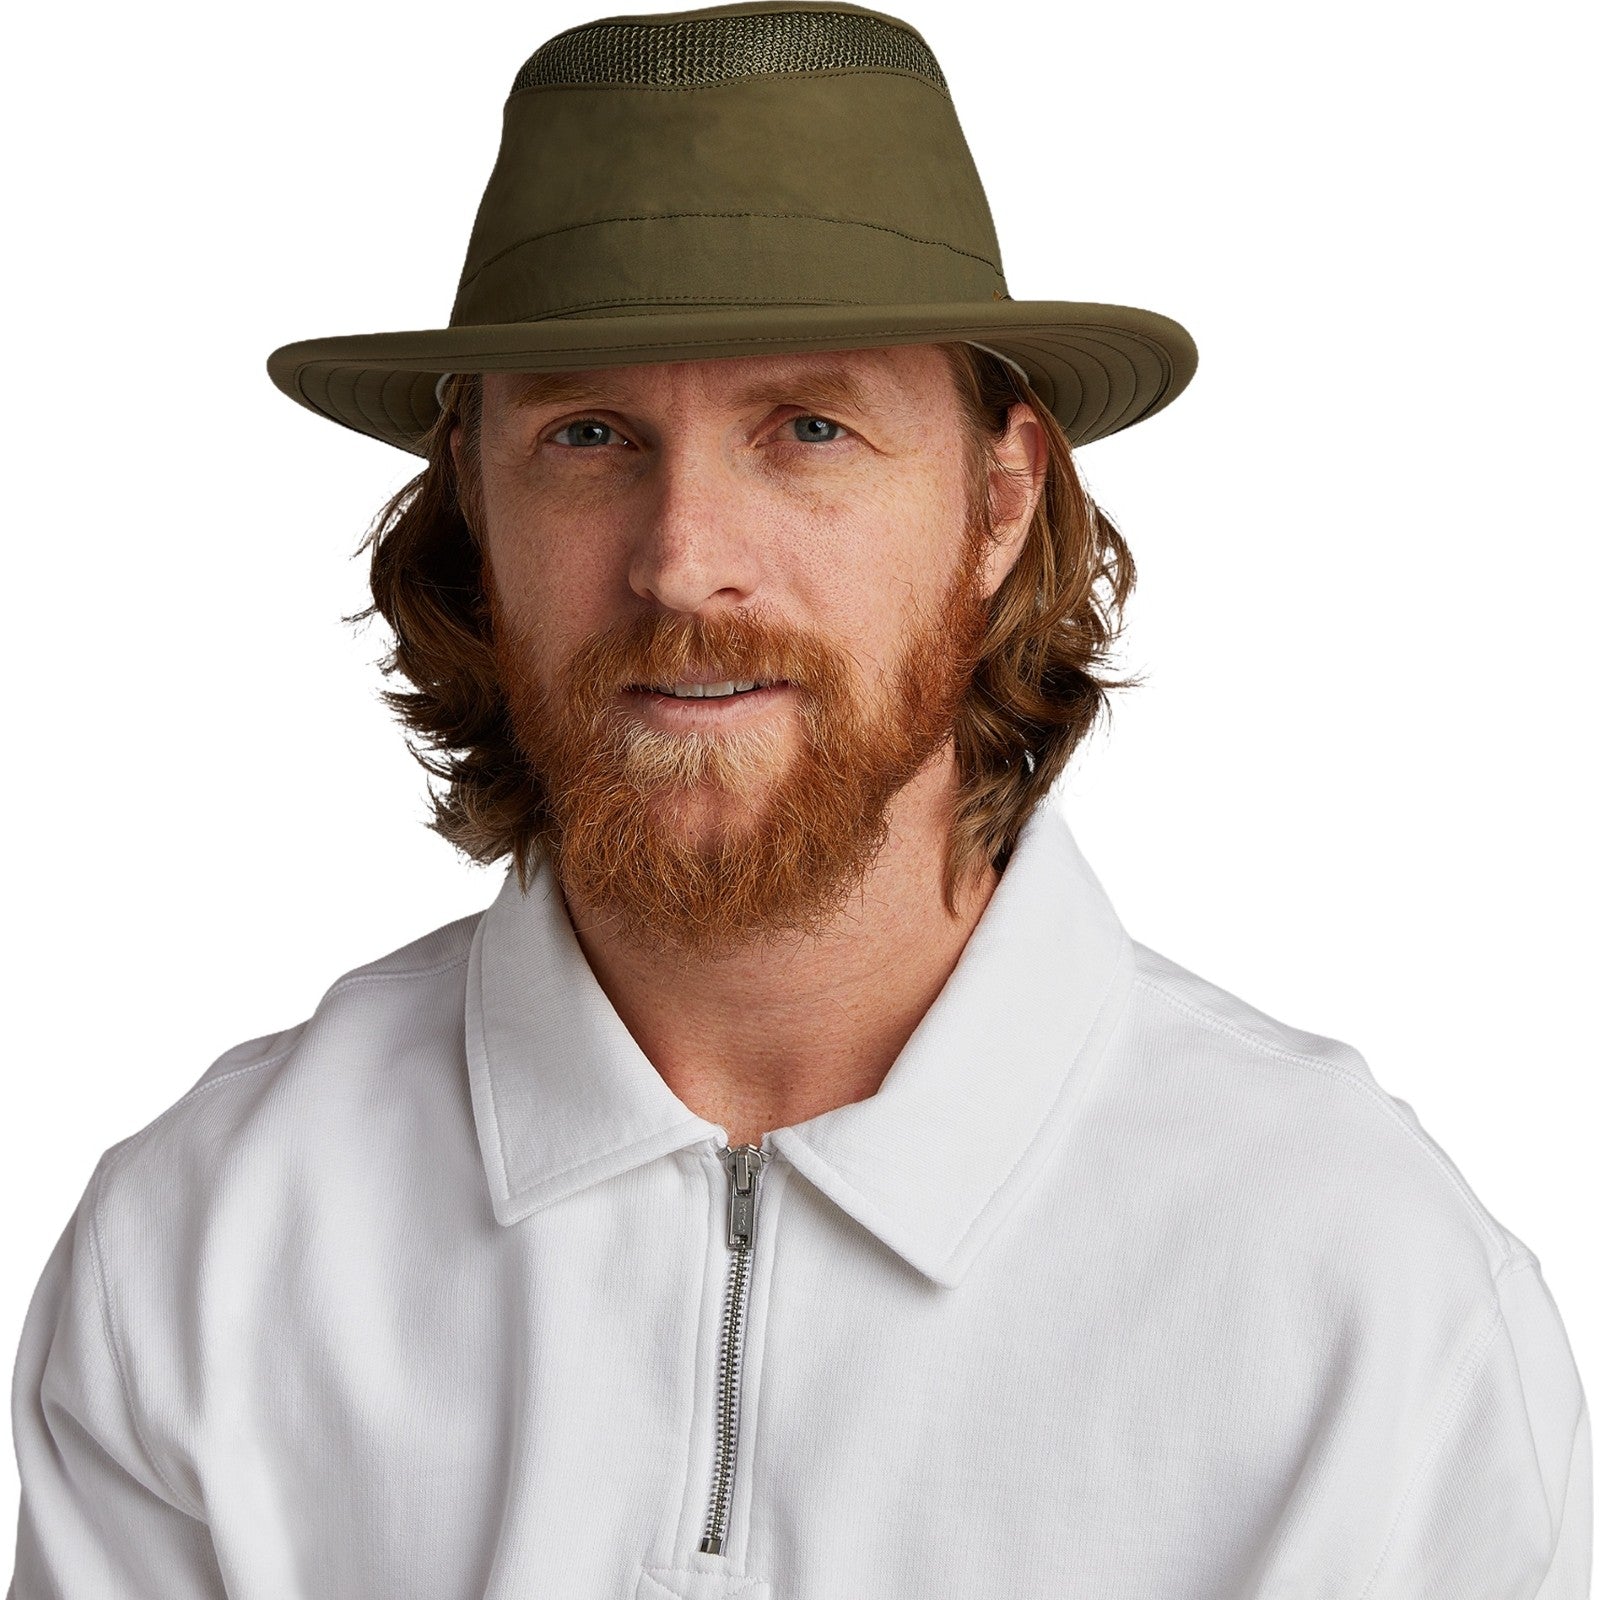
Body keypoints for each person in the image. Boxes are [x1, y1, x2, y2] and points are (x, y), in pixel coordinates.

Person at [7, 2, 1590, 1595]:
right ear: (474, 497)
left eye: (810, 429)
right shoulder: (203, 1257)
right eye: (588, 433)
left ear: (1000, 497)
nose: (683, 557)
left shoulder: (1364, 1299)